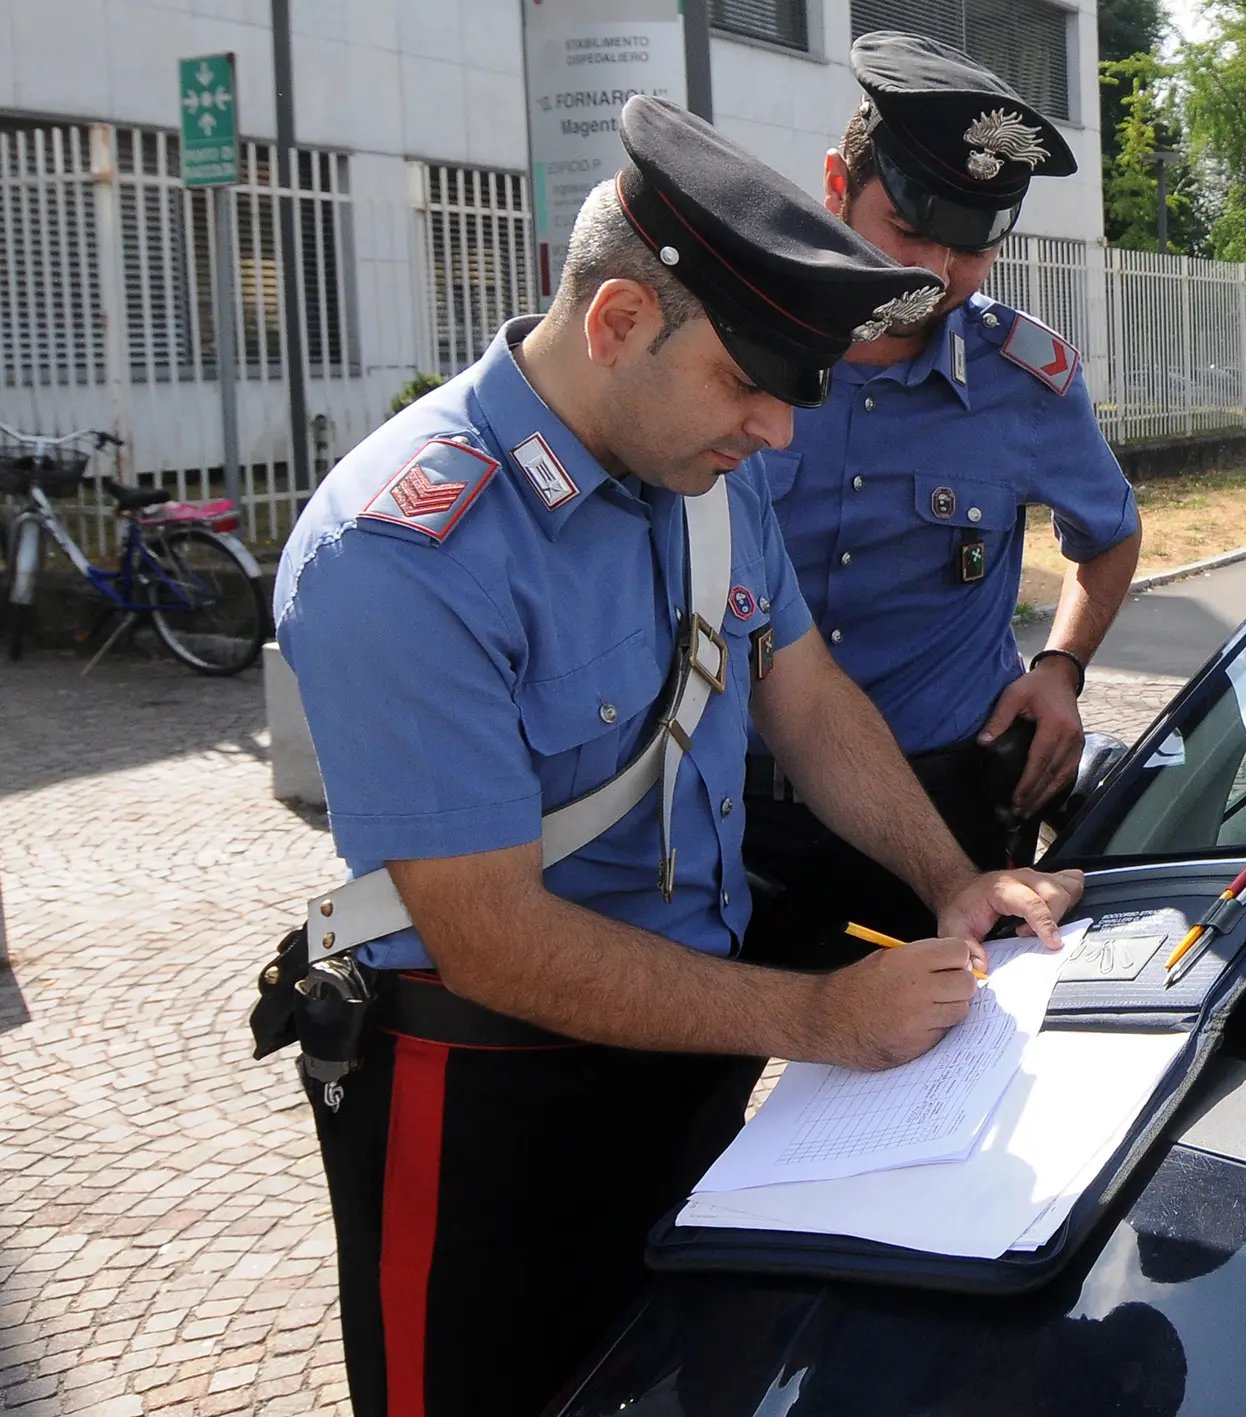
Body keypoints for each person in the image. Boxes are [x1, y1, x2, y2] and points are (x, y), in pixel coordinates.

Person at [271, 96, 1084, 1417]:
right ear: (614, 325)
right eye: (747, 384)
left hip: (686, 1049)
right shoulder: (403, 552)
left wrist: (952, 880)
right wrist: (812, 1016)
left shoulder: (706, 467)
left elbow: (807, 698)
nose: (776, 432)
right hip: (485, 1095)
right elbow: (486, 936)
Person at [741, 32, 1143, 964]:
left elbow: (1109, 534)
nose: (938, 273)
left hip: (941, 820)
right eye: (912, 229)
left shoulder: (1024, 381)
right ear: (837, 182)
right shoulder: (735, 352)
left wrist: (1062, 667)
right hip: (730, 812)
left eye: (972, 246)